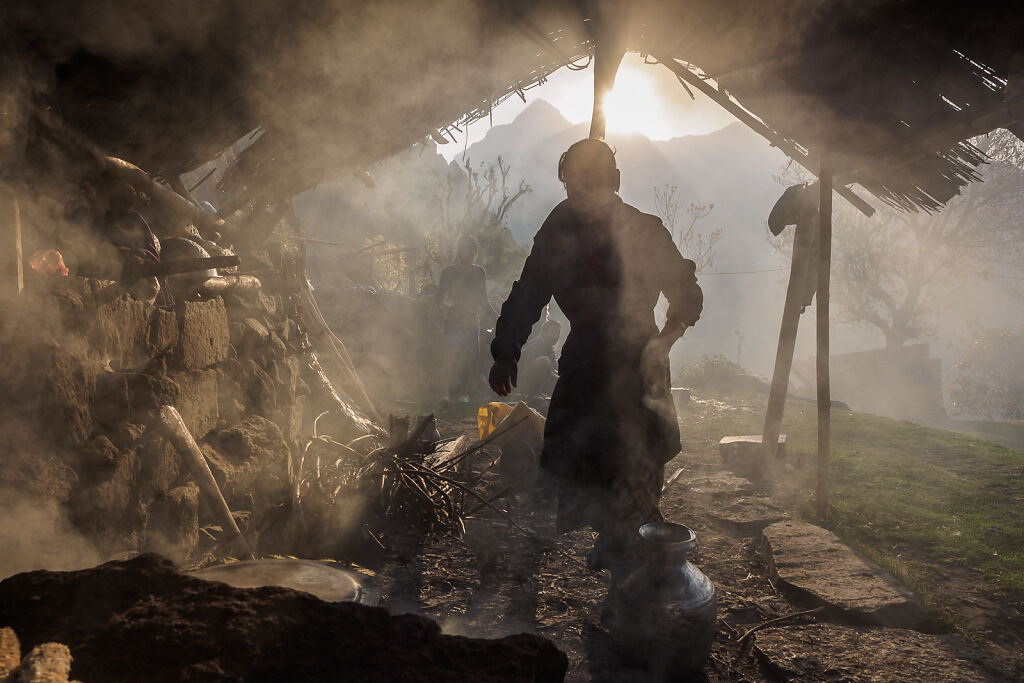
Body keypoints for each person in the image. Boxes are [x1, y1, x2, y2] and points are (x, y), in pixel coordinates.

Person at [488, 138, 703, 607]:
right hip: (586, 365)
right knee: (584, 473)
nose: (578, 199)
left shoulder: (644, 231)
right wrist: (506, 349)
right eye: (570, 188)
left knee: (636, 474)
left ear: (613, 184)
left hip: (639, 369)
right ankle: (615, 555)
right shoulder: (559, 229)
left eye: (588, 188)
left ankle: (638, 585)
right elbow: (528, 291)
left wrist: (663, 343)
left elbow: (687, 293)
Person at [437, 234, 495, 402]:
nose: (466, 253)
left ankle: (463, 394)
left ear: (474, 252)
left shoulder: (479, 273)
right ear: (458, 250)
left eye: (469, 249)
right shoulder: (448, 273)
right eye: (463, 248)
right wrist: (443, 308)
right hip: (452, 322)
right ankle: (444, 395)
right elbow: (439, 297)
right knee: (448, 357)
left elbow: (483, 299)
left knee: (469, 358)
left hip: (471, 322)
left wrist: (496, 315)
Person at [516, 318, 562, 397]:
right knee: (544, 361)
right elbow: (547, 371)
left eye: (558, 333)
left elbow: (554, 370)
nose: (556, 336)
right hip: (520, 383)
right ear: (543, 332)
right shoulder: (537, 345)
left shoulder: (550, 349)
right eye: (553, 332)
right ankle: (534, 396)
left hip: (535, 382)